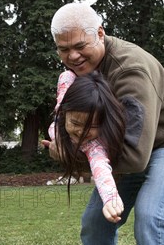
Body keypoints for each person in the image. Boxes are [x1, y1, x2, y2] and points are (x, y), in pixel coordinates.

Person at [43, 2, 164, 245]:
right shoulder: (80, 71)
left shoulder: (130, 72)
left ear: (100, 34)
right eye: (63, 49)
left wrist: (66, 156)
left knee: (151, 217)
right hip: (126, 148)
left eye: (79, 46)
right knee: (95, 221)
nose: (72, 56)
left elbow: (134, 157)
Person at [45, 70, 126, 223]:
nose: (82, 132)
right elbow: (66, 76)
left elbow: (101, 169)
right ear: (64, 113)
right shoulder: (62, 106)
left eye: (92, 126)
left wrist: (111, 199)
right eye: (75, 123)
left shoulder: (93, 145)